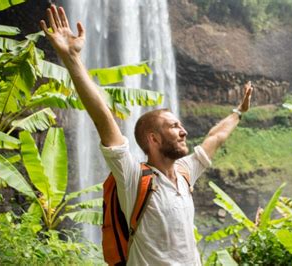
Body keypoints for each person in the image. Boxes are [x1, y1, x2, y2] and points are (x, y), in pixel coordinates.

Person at [40, 4, 253, 265]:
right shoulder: (132, 178)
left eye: (180, 125)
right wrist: (72, 59)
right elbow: (103, 117)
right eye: (174, 126)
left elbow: (215, 137)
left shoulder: (186, 173)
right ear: (153, 139)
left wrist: (238, 112)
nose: (183, 131)